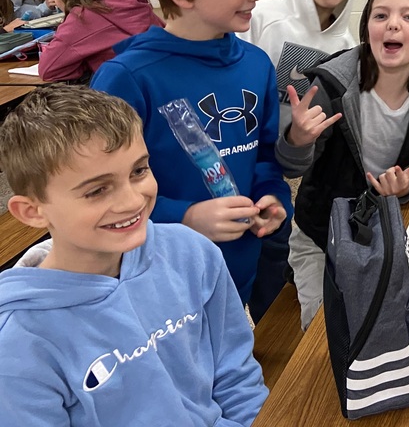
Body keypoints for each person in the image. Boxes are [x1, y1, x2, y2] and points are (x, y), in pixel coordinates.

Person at [0, 86, 267, 427]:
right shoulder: (19, 343)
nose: (132, 201)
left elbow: (236, 375)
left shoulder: (192, 253)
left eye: (139, 171)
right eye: (97, 190)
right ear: (32, 211)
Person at [92, 0, 291, 315]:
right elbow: (99, 193)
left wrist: (272, 198)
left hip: (243, 265)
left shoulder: (255, 64)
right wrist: (183, 217)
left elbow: (266, 158)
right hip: (161, 280)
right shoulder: (128, 78)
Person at [276, 0, 409, 328]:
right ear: (367, 29)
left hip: (384, 228)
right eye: (380, 15)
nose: (393, 24)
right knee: (328, 333)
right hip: (321, 236)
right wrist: (297, 138)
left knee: (407, 323)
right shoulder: (331, 87)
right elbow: (291, 168)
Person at [38, 0, 163, 83]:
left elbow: (47, 70)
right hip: (166, 83)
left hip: (128, 93)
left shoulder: (82, 17)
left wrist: (86, 63)